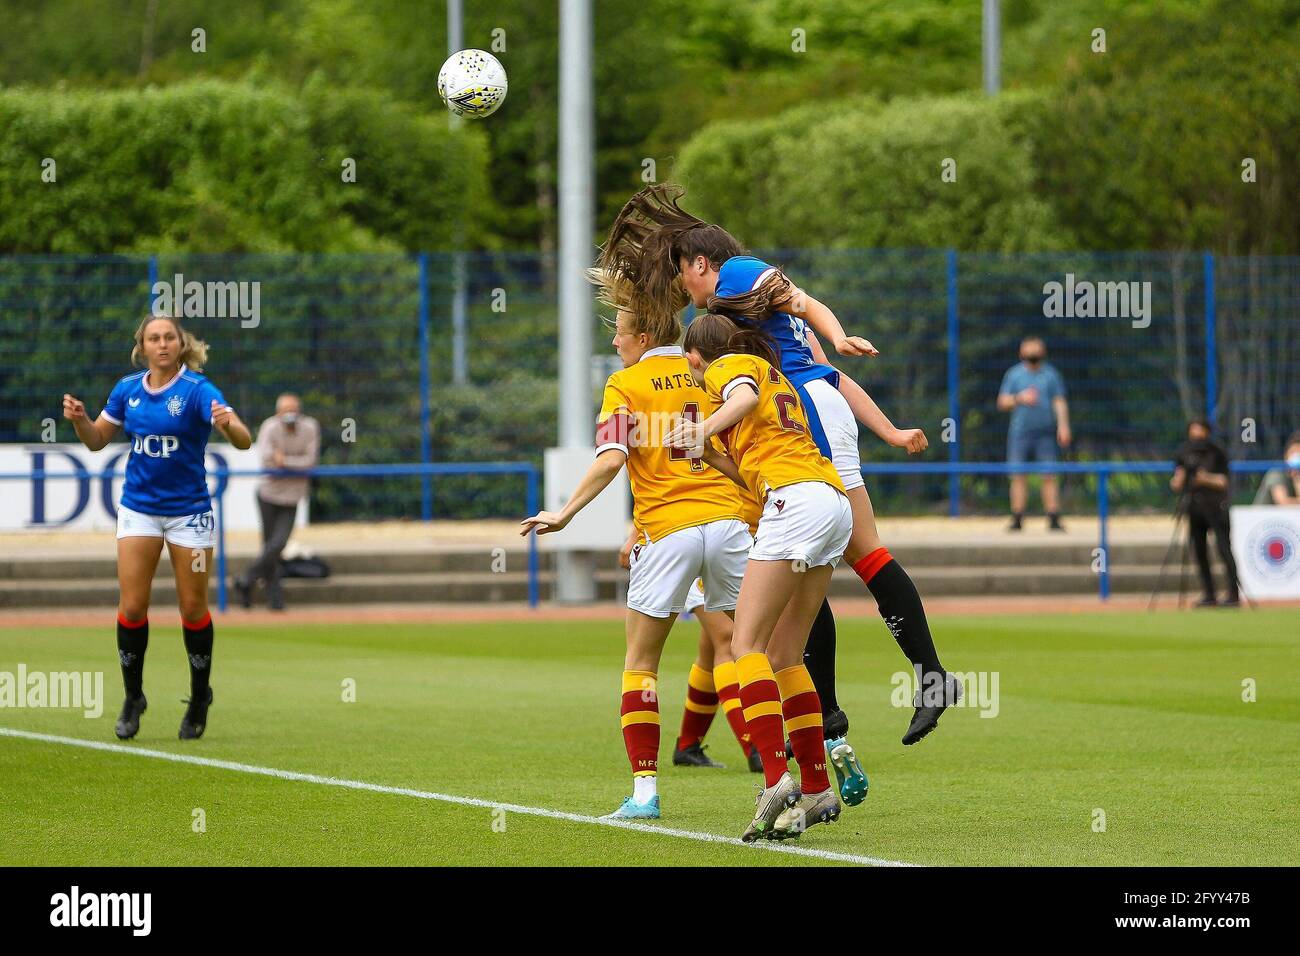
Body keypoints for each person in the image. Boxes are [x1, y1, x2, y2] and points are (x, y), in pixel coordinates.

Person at [597, 184, 957, 759]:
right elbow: (825, 371)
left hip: (805, 417)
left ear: (701, 264)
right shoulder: (738, 319)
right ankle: (876, 696)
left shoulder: (737, 276)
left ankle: (847, 708)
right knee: (822, 564)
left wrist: (837, 334)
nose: (685, 293)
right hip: (820, 405)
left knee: (820, 565)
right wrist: (887, 429)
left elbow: (805, 308)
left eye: (682, 276)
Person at [520, 296, 751, 821]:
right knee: (753, 649)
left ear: (643, 338)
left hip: (668, 532)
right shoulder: (706, 367)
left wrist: (565, 513)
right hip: (732, 523)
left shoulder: (626, 385)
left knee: (642, 663)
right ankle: (791, 774)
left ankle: (645, 794)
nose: (615, 341)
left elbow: (612, 458)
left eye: (620, 332)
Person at [666, 312, 852, 841]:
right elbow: (751, 476)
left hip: (796, 500)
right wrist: (709, 450)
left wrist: (702, 427)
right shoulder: (770, 384)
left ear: (696, 357)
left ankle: (775, 779)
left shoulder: (731, 365)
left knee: (744, 643)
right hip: (829, 502)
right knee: (785, 655)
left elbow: (741, 393)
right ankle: (816, 787)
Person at [63, 314, 252, 741]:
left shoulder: (198, 391)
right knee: (131, 607)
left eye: (169, 337)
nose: (162, 344)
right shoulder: (127, 389)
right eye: (154, 338)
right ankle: (133, 698)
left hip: (190, 513)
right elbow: (96, 440)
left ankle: (200, 695)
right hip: (140, 510)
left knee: (192, 608)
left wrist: (228, 426)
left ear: (180, 344)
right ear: (142, 346)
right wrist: (79, 419)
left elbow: (244, 439)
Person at [234, 393, 320, 611]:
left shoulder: (310, 428)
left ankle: (246, 580)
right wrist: (291, 465)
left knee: (277, 544)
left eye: (293, 410)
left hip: (292, 496)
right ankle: (275, 600)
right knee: (270, 547)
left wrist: (286, 462)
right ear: (278, 412)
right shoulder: (269, 427)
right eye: (285, 410)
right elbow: (268, 461)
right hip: (268, 495)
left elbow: (310, 461)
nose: (290, 415)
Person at [997, 336, 1072, 531]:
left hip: (1045, 432)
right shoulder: (1014, 375)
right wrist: (1019, 398)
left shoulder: (1050, 375)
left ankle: (1053, 516)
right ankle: (1017, 517)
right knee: (1017, 475)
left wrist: (1063, 426)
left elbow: (1059, 401)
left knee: (1049, 474)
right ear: (1022, 353)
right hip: (1020, 432)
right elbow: (1003, 402)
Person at [1172, 419, 1241, 608]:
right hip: (1194, 508)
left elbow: (1224, 482)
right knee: (1200, 552)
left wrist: (1205, 479)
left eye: (1200, 431)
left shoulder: (1217, 451)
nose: (1196, 436)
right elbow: (1177, 481)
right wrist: (1180, 480)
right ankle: (1209, 594)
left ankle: (1233, 593)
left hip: (1216, 507)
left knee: (1224, 549)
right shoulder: (1184, 452)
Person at [1253, 431, 1300, 505]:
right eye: (1293, 453)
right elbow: (1283, 503)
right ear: (1285, 456)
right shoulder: (1276, 473)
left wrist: (1297, 479)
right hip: (1261, 515)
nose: (1296, 458)